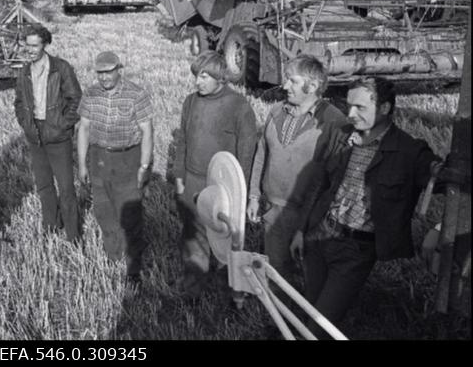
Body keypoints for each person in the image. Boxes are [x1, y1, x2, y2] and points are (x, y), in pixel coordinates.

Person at [290, 77, 440, 336]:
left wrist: (438, 226)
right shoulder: (343, 136)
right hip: (320, 236)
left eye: (360, 107)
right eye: (349, 106)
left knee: (320, 325)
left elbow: (448, 181)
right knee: (310, 309)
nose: (350, 114)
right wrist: (302, 230)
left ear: (384, 108)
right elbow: (319, 185)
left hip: (355, 251)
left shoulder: (409, 151)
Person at [247, 55, 346, 283]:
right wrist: (254, 195)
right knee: (277, 272)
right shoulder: (276, 111)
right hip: (274, 210)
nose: (284, 86)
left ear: (312, 86)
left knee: (313, 277)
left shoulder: (333, 122)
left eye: (292, 81)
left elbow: (333, 178)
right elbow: (262, 152)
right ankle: (277, 317)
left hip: (312, 216)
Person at [173, 51, 257, 296]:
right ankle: (193, 288)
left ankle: (230, 290)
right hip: (193, 179)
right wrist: (179, 176)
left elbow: (246, 153)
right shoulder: (190, 101)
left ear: (221, 78)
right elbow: (183, 141)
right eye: (197, 76)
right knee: (193, 234)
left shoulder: (239, 106)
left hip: (222, 187)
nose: (197, 82)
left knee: (224, 239)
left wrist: (238, 193)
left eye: (204, 76)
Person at [77, 51, 153, 284]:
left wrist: (144, 166)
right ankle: (113, 255)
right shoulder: (90, 94)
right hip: (99, 158)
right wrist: (81, 164)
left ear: (119, 70)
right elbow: (84, 129)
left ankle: (133, 269)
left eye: (109, 71)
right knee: (103, 212)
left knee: (129, 215)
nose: (104, 77)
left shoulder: (136, 94)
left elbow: (147, 131)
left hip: (127, 159)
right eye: (100, 73)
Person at [14, 24, 82, 242]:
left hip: (57, 135)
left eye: (35, 45)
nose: (31, 49)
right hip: (35, 134)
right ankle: (51, 228)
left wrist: (63, 124)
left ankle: (73, 235)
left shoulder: (61, 68)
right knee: (44, 185)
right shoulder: (24, 71)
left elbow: (76, 99)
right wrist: (26, 124)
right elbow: (18, 102)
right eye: (28, 45)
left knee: (66, 188)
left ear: (45, 44)